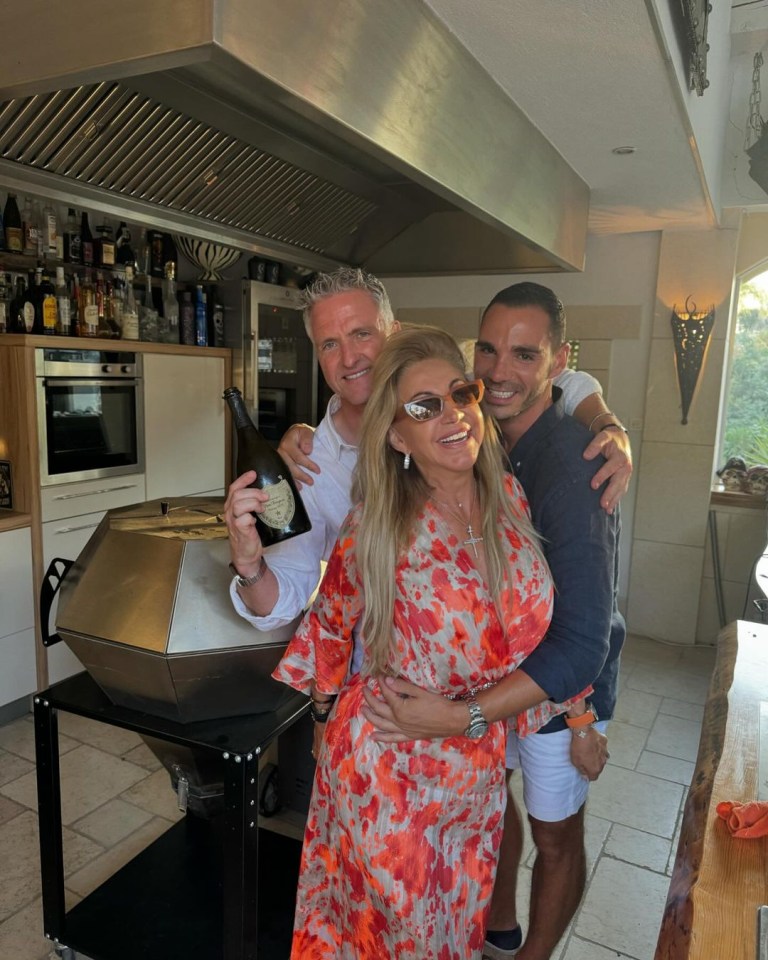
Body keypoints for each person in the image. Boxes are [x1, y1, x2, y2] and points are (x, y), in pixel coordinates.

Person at [272, 326, 565, 958]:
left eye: (460, 393)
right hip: (388, 769)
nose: (453, 414)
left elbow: (531, 632)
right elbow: (329, 620)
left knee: (453, 932)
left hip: (475, 774)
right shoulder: (380, 523)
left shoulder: (507, 499)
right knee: (394, 940)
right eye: (423, 406)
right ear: (397, 436)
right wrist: (323, 720)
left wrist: (579, 713)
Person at [364, 283, 626, 960]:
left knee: (554, 833)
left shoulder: (572, 464)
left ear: (556, 361)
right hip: (495, 672)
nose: (499, 370)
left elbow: (582, 640)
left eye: (524, 354)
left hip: (560, 686)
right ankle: (501, 929)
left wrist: (474, 717)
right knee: (494, 799)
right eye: (488, 349)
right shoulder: (477, 435)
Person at [225, 266, 632, 633]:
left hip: (498, 665)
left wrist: (607, 424)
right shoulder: (309, 463)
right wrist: (249, 565)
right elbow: (283, 602)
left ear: (393, 333)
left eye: (362, 334)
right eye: (330, 344)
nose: (349, 358)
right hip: (394, 682)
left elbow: (554, 380)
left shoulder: (453, 395)